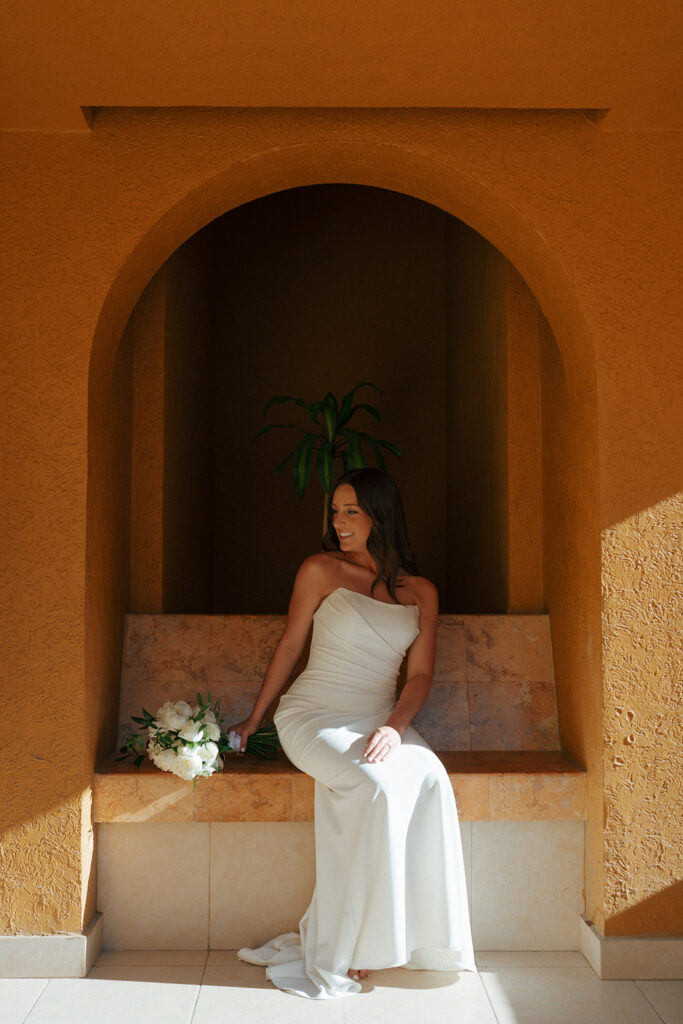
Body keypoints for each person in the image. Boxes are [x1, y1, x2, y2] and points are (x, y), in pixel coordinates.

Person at [229, 468, 477, 999]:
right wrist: (256, 717)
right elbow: (291, 645)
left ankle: (412, 938)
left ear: (379, 515)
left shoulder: (421, 592)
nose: (339, 523)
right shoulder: (321, 569)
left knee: (430, 778)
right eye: (335, 511)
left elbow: (420, 676)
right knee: (373, 786)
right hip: (314, 714)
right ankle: (350, 940)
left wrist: (394, 726)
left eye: (351, 512)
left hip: (381, 717)